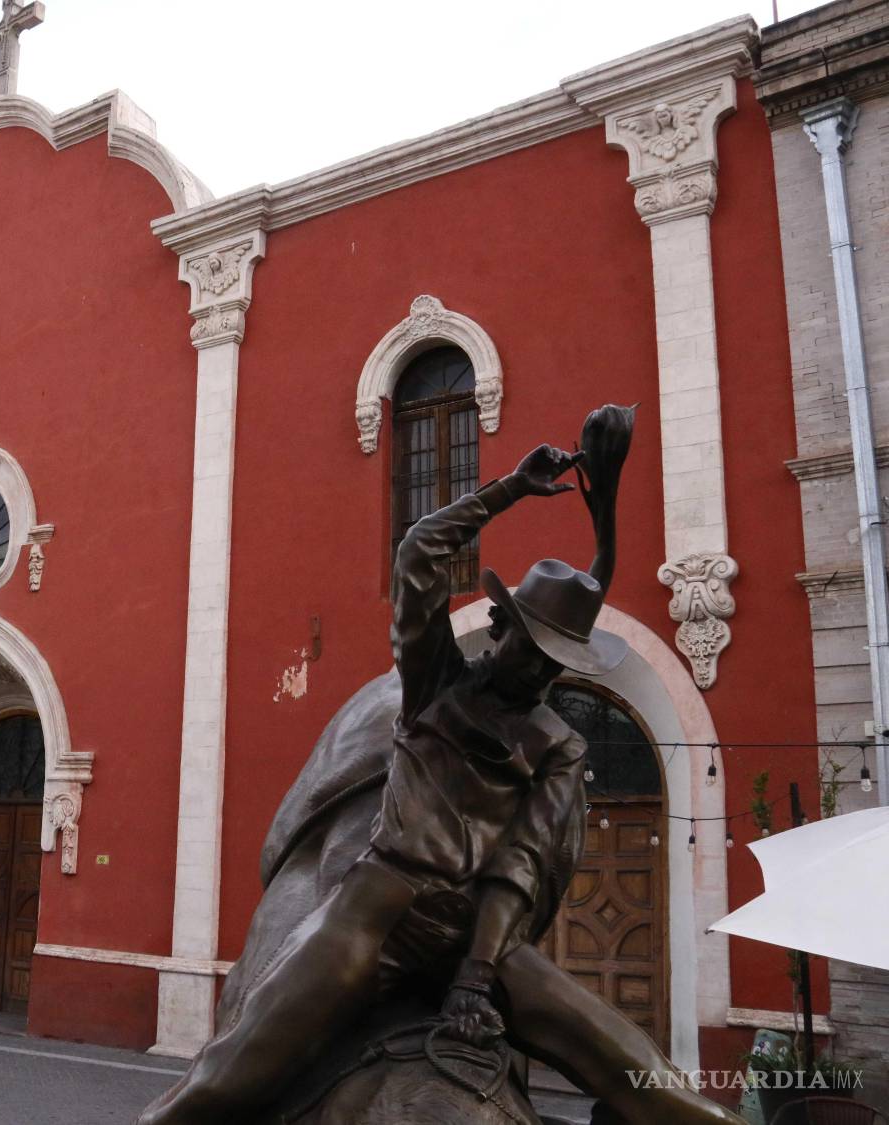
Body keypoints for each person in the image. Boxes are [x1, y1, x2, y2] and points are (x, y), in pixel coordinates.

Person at [141, 421, 742, 1125]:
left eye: (557, 662)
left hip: (479, 933)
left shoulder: (557, 744)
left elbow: (521, 863)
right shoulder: (434, 682)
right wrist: (510, 489)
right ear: (501, 626)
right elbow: (419, 551)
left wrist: (477, 976)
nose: (541, 671)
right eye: (533, 649)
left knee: (643, 1077)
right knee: (223, 1079)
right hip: (377, 914)